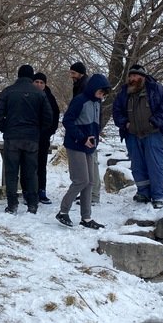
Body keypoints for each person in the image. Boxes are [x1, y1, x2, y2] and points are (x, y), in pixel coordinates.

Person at [0, 64, 53, 215]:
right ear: (32, 77)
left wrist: (5, 128)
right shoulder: (39, 93)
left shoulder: (8, 91)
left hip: (12, 137)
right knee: (31, 172)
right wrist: (38, 131)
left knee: (11, 172)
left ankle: (12, 204)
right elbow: (48, 117)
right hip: (31, 138)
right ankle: (32, 204)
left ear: (18, 75)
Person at [112, 64, 163, 209]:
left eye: (135, 76)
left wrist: (153, 122)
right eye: (130, 76)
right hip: (132, 134)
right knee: (137, 166)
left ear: (142, 77)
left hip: (153, 134)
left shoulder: (157, 90)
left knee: (155, 165)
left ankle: (158, 196)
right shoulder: (124, 92)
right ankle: (143, 192)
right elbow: (117, 111)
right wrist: (125, 124)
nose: (132, 79)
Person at [55, 73, 110, 229]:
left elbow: (96, 125)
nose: (102, 96)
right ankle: (63, 211)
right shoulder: (80, 100)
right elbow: (67, 120)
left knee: (90, 182)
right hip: (75, 145)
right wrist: (81, 137)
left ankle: (86, 218)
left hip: (89, 146)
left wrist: (95, 140)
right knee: (81, 180)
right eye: (100, 92)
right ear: (93, 88)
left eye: (104, 94)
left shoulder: (97, 103)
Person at [23, 71, 60, 204]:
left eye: (41, 82)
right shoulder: (27, 95)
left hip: (43, 137)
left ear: (45, 84)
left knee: (41, 164)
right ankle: (27, 191)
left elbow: (55, 115)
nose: (39, 84)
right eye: (37, 82)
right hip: (28, 136)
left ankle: (41, 190)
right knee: (27, 164)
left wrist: (49, 131)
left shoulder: (49, 97)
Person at [68, 61, 101, 204]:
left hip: (87, 134)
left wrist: (89, 133)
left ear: (81, 73)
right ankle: (89, 195)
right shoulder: (80, 85)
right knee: (89, 167)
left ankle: (92, 195)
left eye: (73, 73)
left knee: (91, 165)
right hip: (85, 133)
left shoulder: (85, 87)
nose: (71, 76)